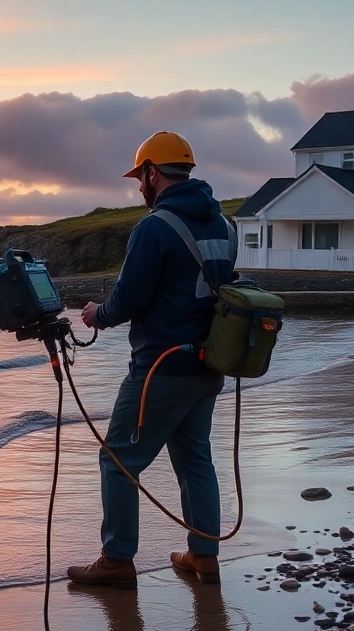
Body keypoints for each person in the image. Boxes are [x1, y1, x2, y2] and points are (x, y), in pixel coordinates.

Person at [68, 130, 235, 589]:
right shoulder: (226, 225)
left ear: (152, 173)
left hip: (161, 366)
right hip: (209, 363)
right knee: (195, 459)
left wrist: (96, 314)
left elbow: (128, 299)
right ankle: (204, 557)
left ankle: (117, 560)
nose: (139, 186)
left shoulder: (155, 226)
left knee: (117, 461)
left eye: (139, 177)